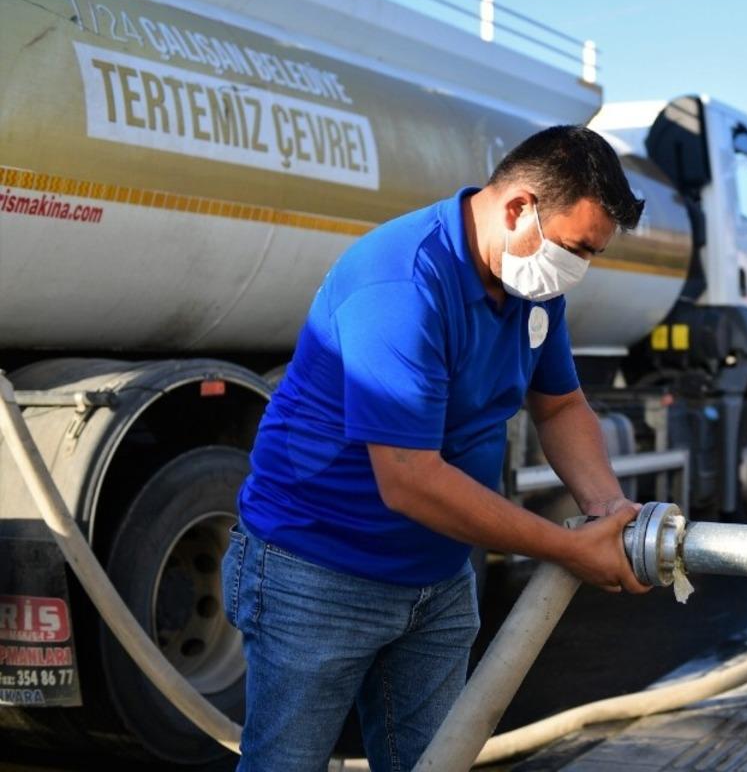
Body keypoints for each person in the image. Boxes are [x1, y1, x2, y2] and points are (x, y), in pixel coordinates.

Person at [221, 125, 650, 771]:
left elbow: (559, 404)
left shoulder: (534, 286)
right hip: (317, 571)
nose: (577, 270)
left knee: (435, 761)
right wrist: (566, 549)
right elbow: (408, 478)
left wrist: (610, 513)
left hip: (439, 577)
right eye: (575, 249)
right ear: (518, 209)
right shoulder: (400, 285)